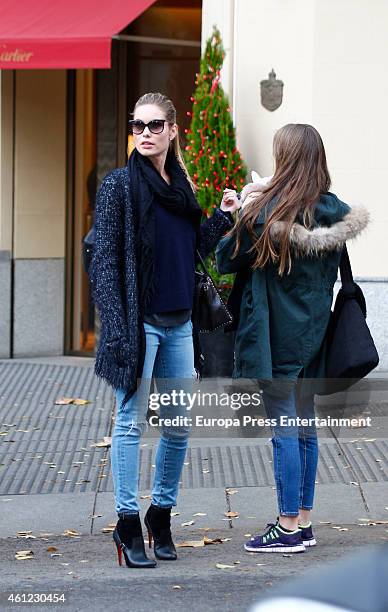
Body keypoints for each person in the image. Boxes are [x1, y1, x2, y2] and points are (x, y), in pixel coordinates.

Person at [90, 92, 240, 568]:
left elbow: (194, 243)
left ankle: (161, 514)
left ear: (173, 130)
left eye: (156, 125)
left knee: (176, 429)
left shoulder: (180, 185)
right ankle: (127, 522)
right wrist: (116, 329)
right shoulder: (118, 187)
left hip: (179, 325)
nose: (146, 133)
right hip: (140, 326)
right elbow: (104, 263)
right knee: (130, 424)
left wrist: (223, 214)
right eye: (138, 125)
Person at [216, 123, 369, 553]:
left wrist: (243, 207)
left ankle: (285, 527)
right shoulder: (334, 212)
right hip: (314, 332)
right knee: (304, 423)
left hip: (276, 334)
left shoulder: (267, 213)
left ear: (285, 160)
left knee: (284, 425)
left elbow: (226, 258)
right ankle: (303, 521)